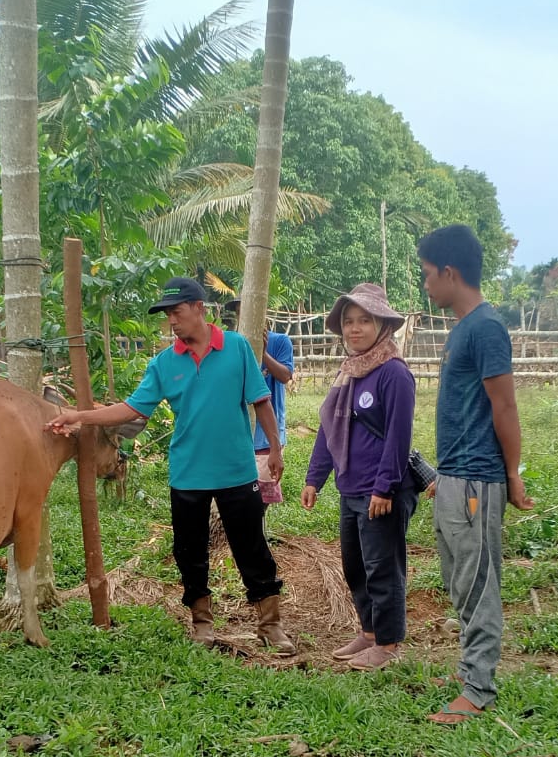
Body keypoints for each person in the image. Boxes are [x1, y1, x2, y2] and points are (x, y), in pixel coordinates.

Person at [45, 276, 296, 654]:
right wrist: (80, 416)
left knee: (251, 547)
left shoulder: (238, 348)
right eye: (167, 316)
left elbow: (260, 400)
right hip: (188, 472)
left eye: (176, 312)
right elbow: (132, 409)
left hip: (236, 469)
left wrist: (274, 448)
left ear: (200, 308)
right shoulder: (164, 363)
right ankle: (202, 623)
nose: (172, 322)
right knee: (189, 551)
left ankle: (271, 624)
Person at [416, 225, 534, 725]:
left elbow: (503, 406)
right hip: (454, 475)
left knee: (478, 581)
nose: (424, 285)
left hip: (477, 480)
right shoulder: (462, 329)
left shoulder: (486, 328)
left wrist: (513, 473)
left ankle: (480, 688)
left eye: (426, 275)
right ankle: (470, 668)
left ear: (450, 272)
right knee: (459, 579)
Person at [300, 283, 418, 670]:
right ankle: (368, 632)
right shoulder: (348, 373)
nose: (354, 329)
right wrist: (314, 478)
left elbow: (398, 439)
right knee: (355, 566)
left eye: (364, 320)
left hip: (380, 491)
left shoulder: (394, 374)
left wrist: (384, 487)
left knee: (383, 567)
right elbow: (327, 429)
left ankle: (387, 644)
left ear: (382, 324)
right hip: (350, 489)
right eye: (348, 322)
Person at [223, 298, 295, 497]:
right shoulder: (230, 345)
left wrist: (261, 353)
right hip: (237, 436)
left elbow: (284, 376)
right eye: (240, 313)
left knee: (260, 497)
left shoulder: (280, 341)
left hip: (265, 437)